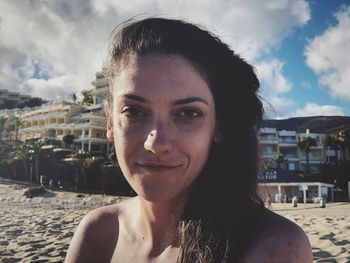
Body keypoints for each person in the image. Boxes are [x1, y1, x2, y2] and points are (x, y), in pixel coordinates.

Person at [65, 18, 312, 263]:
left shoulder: (274, 247)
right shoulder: (98, 233)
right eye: (133, 112)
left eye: (188, 113)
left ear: (218, 125)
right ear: (110, 123)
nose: (156, 143)